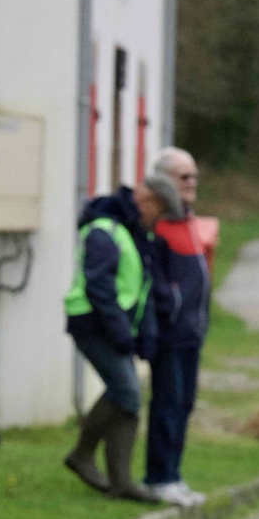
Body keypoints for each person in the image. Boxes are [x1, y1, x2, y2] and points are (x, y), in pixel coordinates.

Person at [62, 175, 183, 502]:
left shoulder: (133, 233)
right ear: (148, 201)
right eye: (160, 213)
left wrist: (144, 335)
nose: (159, 221)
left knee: (129, 399)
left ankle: (121, 483)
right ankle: (82, 454)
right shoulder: (105, 230)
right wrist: (120, 333)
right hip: (91, 323)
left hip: (113, 326)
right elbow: (98, 287)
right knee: (126, 392)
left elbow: (139, 289)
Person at [144, 147, 212, 506]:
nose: (192, 182)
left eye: (194, 176)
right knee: (167, 404)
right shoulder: (158, 227)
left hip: (192, 332)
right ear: (165, 181)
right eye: (184, 176)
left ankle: (174, 474)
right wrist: (170, 305)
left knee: (184, 404)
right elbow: (155, 279)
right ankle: (159, 477)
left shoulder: (189, 221)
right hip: (170, 332)